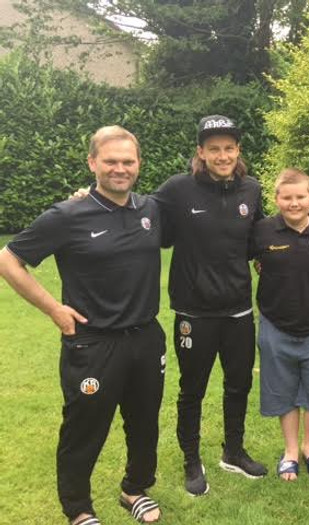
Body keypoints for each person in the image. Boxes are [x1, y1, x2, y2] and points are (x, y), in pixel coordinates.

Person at [0, 126, 164, 524]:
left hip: (146, 337)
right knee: (84, 428)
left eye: (128, 161)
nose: (120, 169)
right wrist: (54, 309)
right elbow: (8, 259)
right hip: (92, 342)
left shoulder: (150, 209)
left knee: (144, 422)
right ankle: (78, 509)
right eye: (110, 161)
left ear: (139, 164)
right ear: (92, 163)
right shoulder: (67, 215)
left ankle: (134, 489)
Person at [153, 115, 268, 495]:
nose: (222, 156)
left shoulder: (252, 189)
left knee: (238, 384)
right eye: (214, 149)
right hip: (194, 311)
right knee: (193, 389)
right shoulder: (177, 189)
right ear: (201, 152)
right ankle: (191, 459)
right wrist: (89, 197)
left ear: (238, 150)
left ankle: (233, 452)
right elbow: (135, 211)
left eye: (229, 148)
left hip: (238, 309)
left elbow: (261, 236)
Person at [250, 168, 309, 481]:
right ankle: (290, 452)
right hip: (275, 325)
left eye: (301, 197)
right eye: (287, 197)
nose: (295, 203)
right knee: (283, 389)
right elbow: (240, 257)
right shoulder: (262, 230)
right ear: (277, 199)